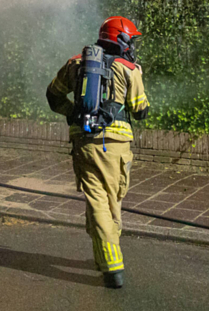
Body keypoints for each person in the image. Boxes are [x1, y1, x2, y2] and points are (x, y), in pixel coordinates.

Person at [46, 16, 149, 289]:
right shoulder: (129, 68)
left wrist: (74, 114)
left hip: (84, 143)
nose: (133, 45)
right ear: (122, 39)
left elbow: (53, 95)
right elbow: (140, 110)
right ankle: (112, 266)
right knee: (109, 201)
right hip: (116, 146)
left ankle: (106, 257)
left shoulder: (75, 64)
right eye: (132, 39)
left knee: (97, 199)